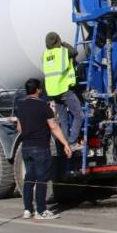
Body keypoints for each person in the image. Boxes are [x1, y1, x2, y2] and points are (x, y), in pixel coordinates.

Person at [15, 78, 73, 220]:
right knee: (41, 179)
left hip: (26, 147)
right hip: (40, 147)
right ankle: (41, 211)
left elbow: (19, 128)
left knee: (29, 178)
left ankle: (28, 209)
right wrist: (65, 143)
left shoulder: (21, 106)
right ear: (38, 90)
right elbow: (53, 127)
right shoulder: (43, 106)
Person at [43, 32, 83, 151]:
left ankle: (65, 144)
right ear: (58, 41)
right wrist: (63, 43)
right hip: (64, 90)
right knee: (79, 115)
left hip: (53, 92)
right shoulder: (62, 51)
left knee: (63, 120)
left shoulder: (44, 55)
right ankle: (72, 141)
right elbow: (74, 52)